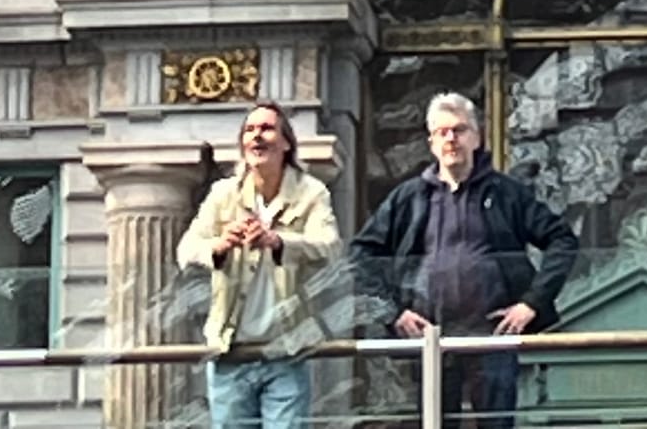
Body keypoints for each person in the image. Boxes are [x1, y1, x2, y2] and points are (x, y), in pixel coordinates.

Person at [349, 90, 579, 429]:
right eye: (442, 132)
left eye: (459, 130)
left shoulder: (506, 193)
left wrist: (531, 303)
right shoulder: (410, 197)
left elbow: (563, 240)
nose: (451, 139)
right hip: (431, 339)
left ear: (477, 137)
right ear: (431, 142)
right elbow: (360, 255)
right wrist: (393, 312)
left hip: (493, 336)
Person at [178, 101, 341, 429]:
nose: (257, 136)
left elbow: (330, 248)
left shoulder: (311, 193)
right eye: (250, 130)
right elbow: (186, 250)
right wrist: (218, 246)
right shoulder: (224, 194)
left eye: (266, 129)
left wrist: (279, 242)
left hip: (286, 350)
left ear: (286, 143)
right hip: (230, 352)